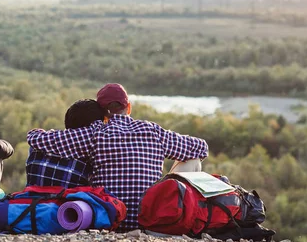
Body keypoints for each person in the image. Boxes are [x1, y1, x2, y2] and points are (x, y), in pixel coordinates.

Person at [26, 83, 209, 231]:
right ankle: (181, 216)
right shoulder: (153, 131)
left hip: (109, 218)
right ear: (128, 107)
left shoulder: (95, 133)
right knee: (192, 159)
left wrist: (38, 131)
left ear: (102, 112)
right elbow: (201, 148)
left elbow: (36, 139)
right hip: (150, 221)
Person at [25, 99, 105, 188]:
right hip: (69, 198)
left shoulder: (40, 145)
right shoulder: (92, 151)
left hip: (32, 198)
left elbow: (32, 136)